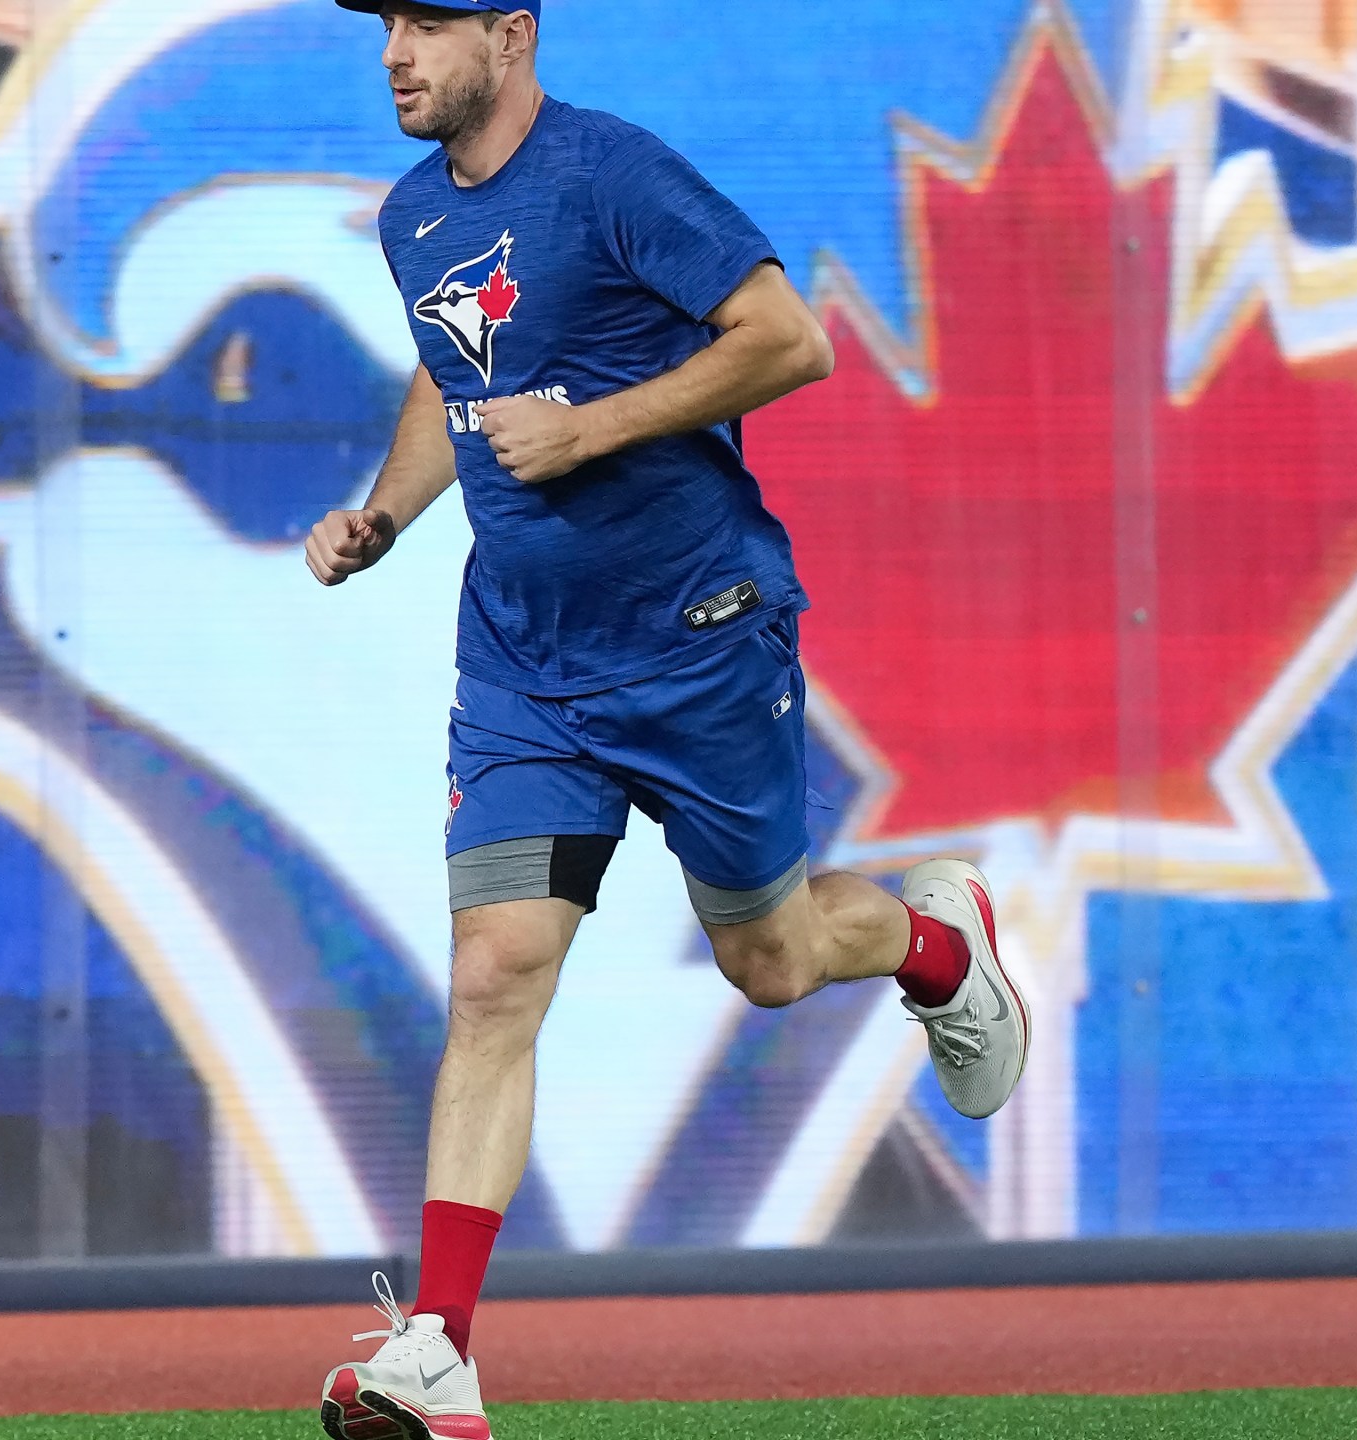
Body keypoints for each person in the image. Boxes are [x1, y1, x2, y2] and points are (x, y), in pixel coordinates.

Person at [305, 3, 1031, 1436]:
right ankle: (436, 1352)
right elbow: (448, 371)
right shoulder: (411, 219)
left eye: (430, 22)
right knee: (496, 975)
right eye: (386, 22)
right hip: (525, 663)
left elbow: (788, 340)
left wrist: (593, 426)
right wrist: (386, 511)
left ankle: (941, 944)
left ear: (510, 35)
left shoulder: (615, 175)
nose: (397, 49)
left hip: (700, 641)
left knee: (767, 961)